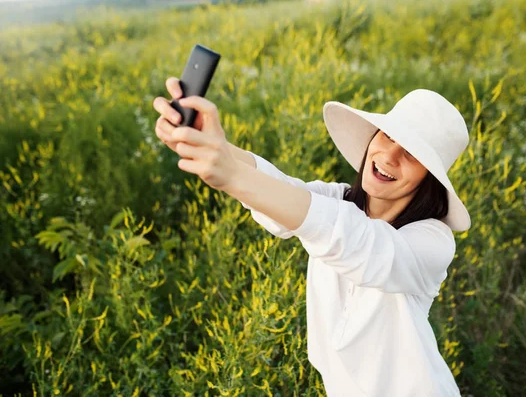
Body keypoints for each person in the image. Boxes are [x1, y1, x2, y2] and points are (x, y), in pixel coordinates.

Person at [152, 77, 470, 397]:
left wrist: (232, 176)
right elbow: (285, 197)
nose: (390, 155)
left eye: (412, 154)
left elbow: (358, 243)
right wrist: (207, 143)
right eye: (388, 136)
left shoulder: (432, 241)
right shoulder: (339, 200)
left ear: (428, 180)